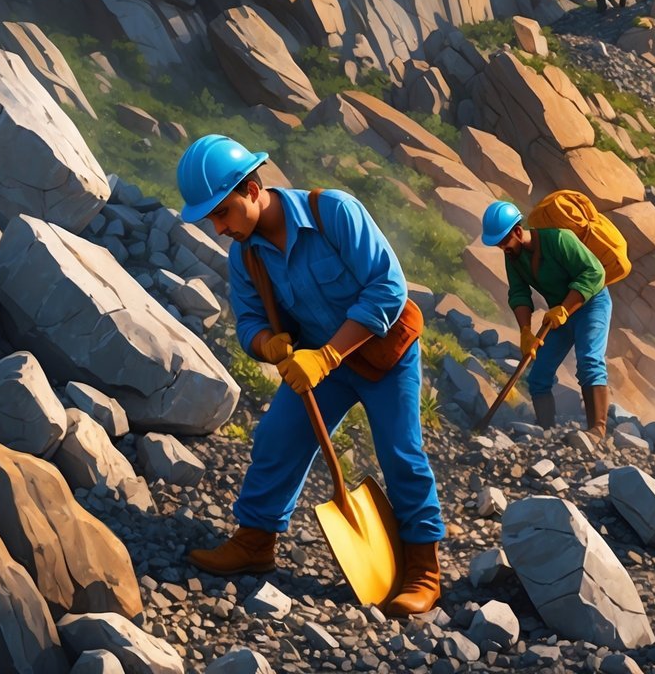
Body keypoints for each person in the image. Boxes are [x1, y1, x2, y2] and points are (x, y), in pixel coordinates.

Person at [178, 135, 444, 616]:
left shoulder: (334, 213)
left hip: (383, 355)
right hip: (320, 364)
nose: (218, 228)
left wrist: (327, 356)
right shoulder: (246, 256)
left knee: (400, 451)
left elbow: (387, 288)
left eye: (222, 213)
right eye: (211, 219)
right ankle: (256, 541)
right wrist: (267, 345)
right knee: (278, 437)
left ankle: (424, 568)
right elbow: (250, 323)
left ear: (253, 189)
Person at [481, 200, 611, 439]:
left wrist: (565, 307)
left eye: (503, 242)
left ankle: (597, 431)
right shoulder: (513, 258)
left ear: (518, 232)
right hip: (558, 315)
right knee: (539, 374)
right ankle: (545, 432)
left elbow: (595, 273)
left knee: (589, 361)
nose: (502, 249)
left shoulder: (560, 239)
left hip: (591, 304)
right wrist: (525, 332)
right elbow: (519, 294)